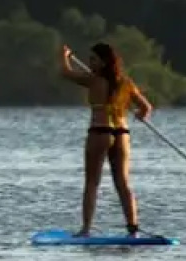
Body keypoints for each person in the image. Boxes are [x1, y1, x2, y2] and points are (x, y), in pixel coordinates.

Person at [60, 41, 153, 237]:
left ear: (103, 62)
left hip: (99, 132)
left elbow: (66, 73)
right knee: (123, 183)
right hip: (122, 134)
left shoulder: (93, 80)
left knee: (92, 182)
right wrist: (141, 115)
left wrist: (65, 56)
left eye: (93, 59)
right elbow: (146, 107)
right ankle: (133, 229)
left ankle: (85, 230)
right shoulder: (126, 83)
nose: (90, 63)